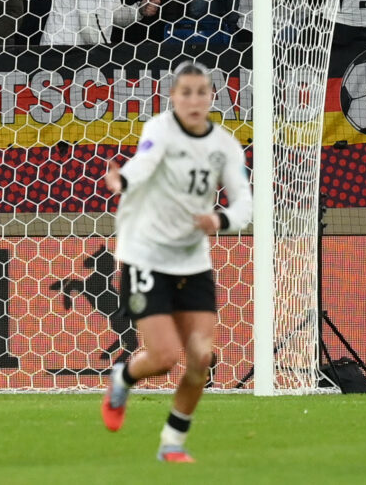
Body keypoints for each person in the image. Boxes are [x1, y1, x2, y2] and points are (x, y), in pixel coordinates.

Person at [97, 60, 251, 465]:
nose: (194, 100)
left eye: (202, 92)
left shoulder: (225, 146)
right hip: (145, 256)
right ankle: (123, 376)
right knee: (164, 358)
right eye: (186, 92)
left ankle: (172, 443)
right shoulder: (159, 130)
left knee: (201, 357)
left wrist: (218, 219)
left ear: (211, 98)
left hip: (192, 262)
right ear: (173, 98)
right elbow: (143, 165)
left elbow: (244, 205)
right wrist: (122, 181)